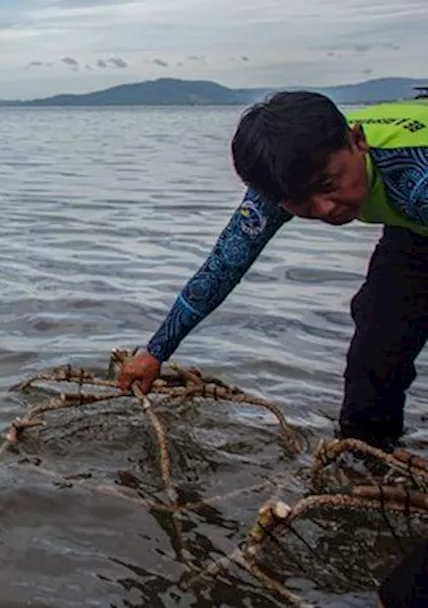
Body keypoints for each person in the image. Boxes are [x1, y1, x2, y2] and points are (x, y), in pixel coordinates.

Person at [118, 91, 428, 451]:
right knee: (378, 338)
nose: (325, 208)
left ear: (358, 140)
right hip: (412, 231)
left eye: (329, 185)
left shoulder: (415, 176)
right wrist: (156, 351)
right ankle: (368, 457)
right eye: (301, 203)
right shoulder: (285, 177)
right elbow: (224, 265)